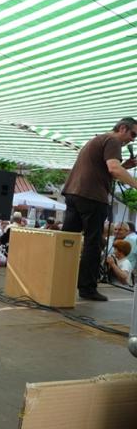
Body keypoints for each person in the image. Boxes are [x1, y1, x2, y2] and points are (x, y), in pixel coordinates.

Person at [62, 117, 137, 301]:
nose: (132, 139)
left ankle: (59, 280)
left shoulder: (97, 139)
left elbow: (103, 169)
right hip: (92, 196)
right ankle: (87, 288)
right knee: (93, 242)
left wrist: (125, 166)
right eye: (133, 134)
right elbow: (113, 169)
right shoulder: (113, 140)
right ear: (122, 128)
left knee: (67, 241)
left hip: (73, 193)